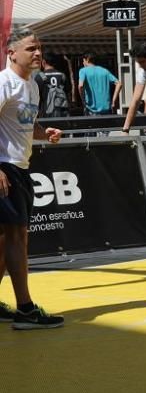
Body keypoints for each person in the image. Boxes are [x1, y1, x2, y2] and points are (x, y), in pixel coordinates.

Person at [0, 29, 64, 329]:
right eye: (31, 49)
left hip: (19, 167)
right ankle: (25, 309)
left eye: (39, 48)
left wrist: (43, 133)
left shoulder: (32, 86)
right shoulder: (3, 83)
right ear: (11, 53)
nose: (38, 53)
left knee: (5, 240)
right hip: (6, 168)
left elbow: (27, 123)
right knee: (17, 237)